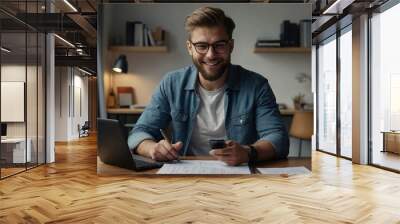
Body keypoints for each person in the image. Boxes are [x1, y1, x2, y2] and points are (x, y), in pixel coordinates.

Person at [128, 6, 289, 166]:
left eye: (219, 45)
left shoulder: (257, 85)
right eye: (202, 46)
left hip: (239, 177)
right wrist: (152, 148)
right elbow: (139, 132)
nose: (211, 55)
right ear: (190, 48)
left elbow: (278, 138)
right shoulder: (171, 83)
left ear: (230, 46)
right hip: (185, 176)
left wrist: (248, 152)